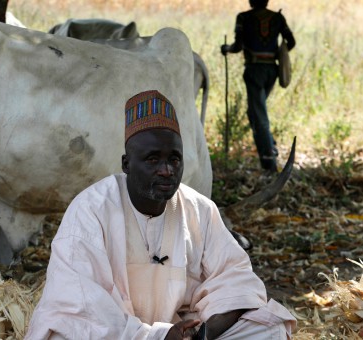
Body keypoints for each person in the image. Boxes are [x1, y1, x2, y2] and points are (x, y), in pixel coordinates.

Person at [25, 90, 296, 339]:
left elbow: (235, 279)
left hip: (183, 331)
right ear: (127, 164)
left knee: (269, 328)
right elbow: (78, 303)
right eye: (153, 159)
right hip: (120, 334)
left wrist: (204, 334)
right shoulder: (91, 210)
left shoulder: (199, 209)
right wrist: (157, 336)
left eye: (174, 159)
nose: (166, 170)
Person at [221, 0, 296, 172]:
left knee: (259, 116)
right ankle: (270, 144)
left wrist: (226, 48)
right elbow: (290, 42)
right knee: (255, 112)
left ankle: (269, 161)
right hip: (272, 70)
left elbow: (238, 46)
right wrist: (276, 53)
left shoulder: (243, 18)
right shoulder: (277, 18)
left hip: (254, 70)